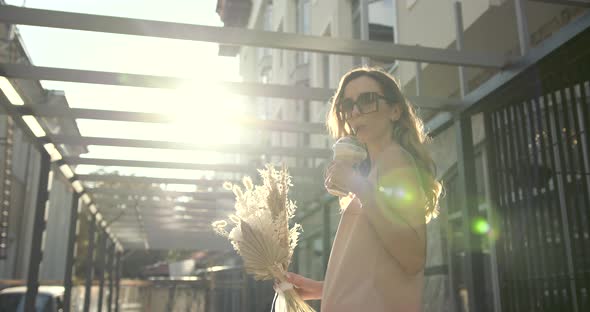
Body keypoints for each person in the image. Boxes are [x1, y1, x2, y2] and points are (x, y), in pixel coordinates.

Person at [284, 67, 443, 311]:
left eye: (367, 100)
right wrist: (321, 288)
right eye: (347, 105)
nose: (355, 111)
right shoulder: (375, 170)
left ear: (395, 110)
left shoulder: (395, 160)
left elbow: (413, 258)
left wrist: (357, 185)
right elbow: (378, 270)